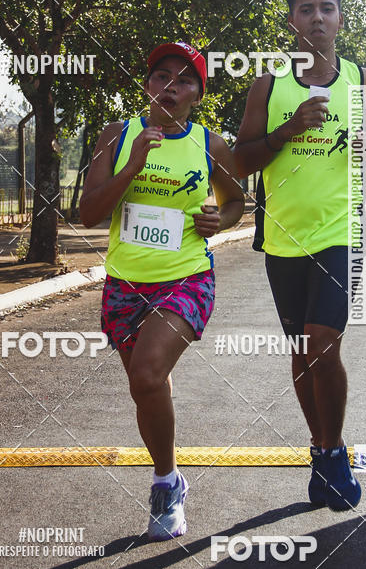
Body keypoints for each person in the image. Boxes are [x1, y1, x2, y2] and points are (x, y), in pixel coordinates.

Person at [234, 0, 366, 511]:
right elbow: (241, 159)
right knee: (303, 352)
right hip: (282, 239)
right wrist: (287, 130)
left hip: (342, 234)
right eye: (306, 9)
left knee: (322, 341)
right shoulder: (270, 85)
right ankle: (323, 449)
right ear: (291, 19)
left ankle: (333, 450)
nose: (317, 18)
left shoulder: (363, 81)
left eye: (327, 8)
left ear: (340, 18)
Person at [80, 42, 244, 539]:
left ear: (198, 94)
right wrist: (131, 164)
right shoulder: (118, 134)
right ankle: (170, 474)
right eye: (161, 75)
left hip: (187, 277)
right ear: (148, 85)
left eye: (185, 79)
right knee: (144, 386)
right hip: (125, 284)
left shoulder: (210, 145)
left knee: (149, 376)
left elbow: (237, 202)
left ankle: (164, 489)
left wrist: (220, 219)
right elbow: (88, 213)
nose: (171, 85)